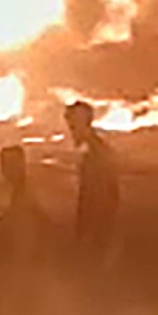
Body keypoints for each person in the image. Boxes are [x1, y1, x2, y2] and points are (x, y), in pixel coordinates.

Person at [64, 100, 119, 265]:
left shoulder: (95, 155)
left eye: (73, 126)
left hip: (96, 234)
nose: (71, 131)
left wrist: (85, 235)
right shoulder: (96, 151)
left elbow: (96, 198)